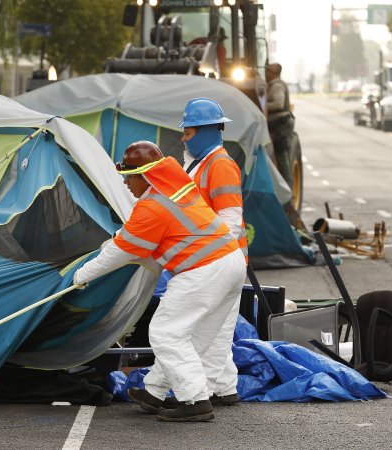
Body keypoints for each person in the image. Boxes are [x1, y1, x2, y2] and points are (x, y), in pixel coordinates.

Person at [73, 141, 246, 422]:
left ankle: (195, 402)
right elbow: (127, 239)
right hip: (230, 262)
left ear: (146, 175)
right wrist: (115, 242)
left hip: (202, 270)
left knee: (167, 333)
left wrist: (81, 276)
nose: (127, 184)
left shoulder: (153, 206)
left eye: (130, 177)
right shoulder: (176, 188)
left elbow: (122, 252)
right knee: (191, 335)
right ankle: (154, 392)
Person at [178, 97, 248, 407]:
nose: (183, 137)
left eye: (188, 132)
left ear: (206, 131)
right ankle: (225, 387)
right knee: (218, 329)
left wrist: (209, 263)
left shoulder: (219, 165)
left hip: (217, 262)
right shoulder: (199, 162)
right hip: (212, 261)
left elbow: (229, 224)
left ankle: (201, 394)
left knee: (208, 332)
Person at [265, 62, 296, 189]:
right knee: (282, 157)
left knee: (282, 158)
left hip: (280, 126)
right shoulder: (275, 85)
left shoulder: (277, 86)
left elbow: (278, 103)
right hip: (280, 125)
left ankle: (287, 192)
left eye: (268, 71)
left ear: (272, 73)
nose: (266, 73)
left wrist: (263, 106)